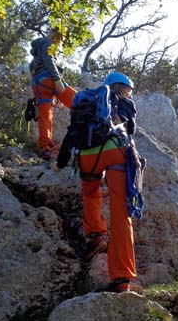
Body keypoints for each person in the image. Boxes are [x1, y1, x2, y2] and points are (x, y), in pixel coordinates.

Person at [57, 72, 142, 294]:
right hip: (115, 150)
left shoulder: (88, 98)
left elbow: (70, 111)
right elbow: (130, 129)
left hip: (86, 154)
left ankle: (96, 235)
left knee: (90, 192)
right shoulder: (121, 100)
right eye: (129, 90)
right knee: (121, 212)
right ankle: (121, 278)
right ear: (121, 87)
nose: (130, 93)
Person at [29, 29, 76, 160]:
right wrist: (57, 80)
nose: (61, 41)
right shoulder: (48, 43)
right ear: (55, 35)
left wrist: (53, 94)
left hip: (38, 85)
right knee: (80, 102)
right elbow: (48, 59)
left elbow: (33, 68)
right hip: (49, 80)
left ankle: (46, 148)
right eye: (61, 38)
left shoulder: (37, 51)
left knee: (45, 115)